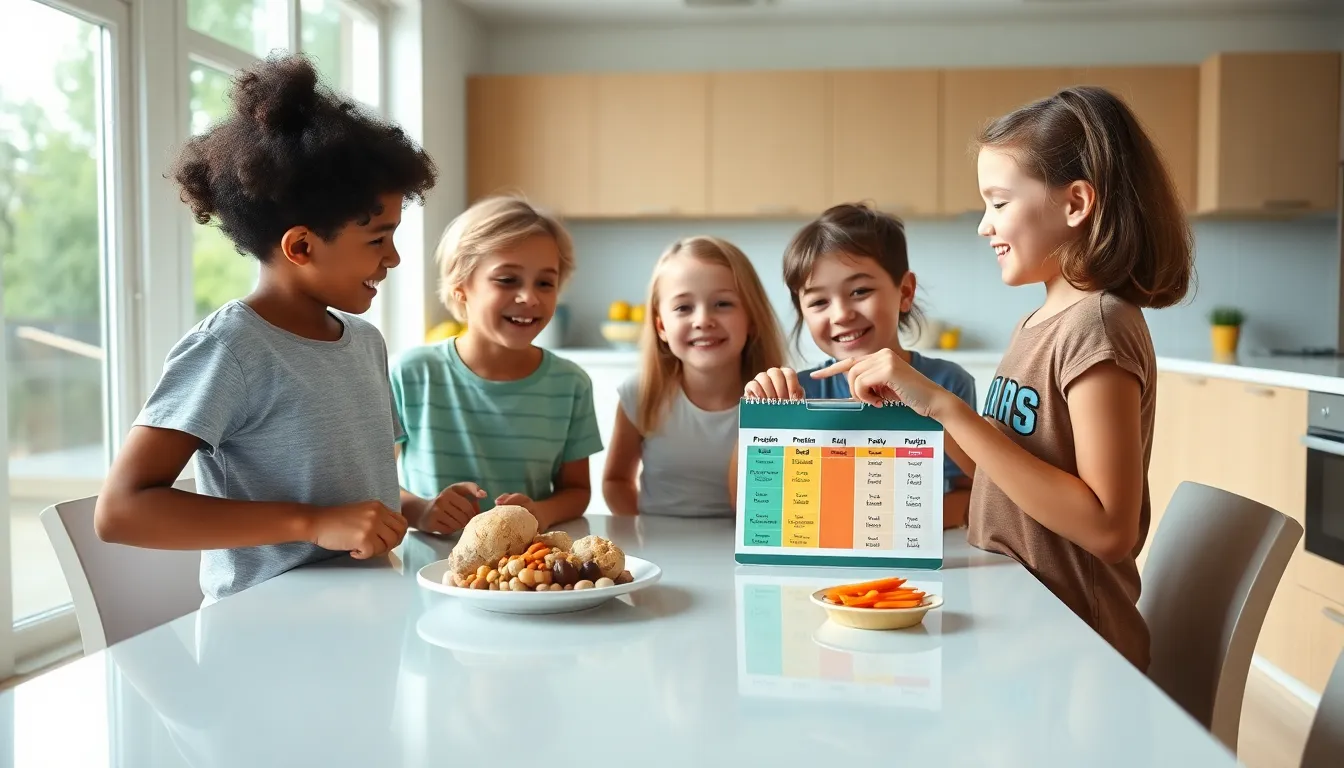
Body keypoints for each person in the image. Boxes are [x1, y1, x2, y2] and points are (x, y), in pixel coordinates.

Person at [814, 86, 1195, 671]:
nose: (983, 226)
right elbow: (1006, 473)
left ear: (1075, 204)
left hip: (1078, 644)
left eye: (997, 202)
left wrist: (947, 407)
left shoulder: (1097, 326)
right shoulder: (1039, 322)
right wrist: (915, 409)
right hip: (1026, 621)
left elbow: (1109, 528)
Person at [95, 53, 438, 602]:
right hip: (261, 635)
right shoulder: (230, 349)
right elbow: (121, 510)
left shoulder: (365, 342)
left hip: (366, 614)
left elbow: (349, 491)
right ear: (300, 246)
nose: (393, 258)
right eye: (377, 238)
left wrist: (418, 508)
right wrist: (310, 524)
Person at [733, 202, 979, 528]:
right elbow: (747, 502)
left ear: (905, 292)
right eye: (819, 301)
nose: (841, 314)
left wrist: (884, 523)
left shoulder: (947, 383)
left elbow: (973, 489)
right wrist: (761, 417)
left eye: (859, 291)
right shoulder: (799, 391)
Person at [391, 195, 602, 534]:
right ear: (461, 288)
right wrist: (420, 510)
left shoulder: (571, 384)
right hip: (428, 562)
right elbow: (372, 485)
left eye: (545, 283)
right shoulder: (410, 373)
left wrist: (541, 513)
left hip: (525, 566)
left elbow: (577, 491)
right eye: (507, 280)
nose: (530, 298)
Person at [602, 237, 788, 518]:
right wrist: (642, 533)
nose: (703, 320)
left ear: (751, 318)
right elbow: (615, 482)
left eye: (723, 303)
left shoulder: (780, 399)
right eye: (683, 308)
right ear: (662, 327)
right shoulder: (640, 394)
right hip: (662, 553)